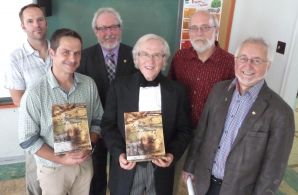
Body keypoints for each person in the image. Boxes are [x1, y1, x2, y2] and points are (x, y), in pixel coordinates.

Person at [183, 37, 295, 195]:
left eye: (256, 60)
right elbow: (201, 132)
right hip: (204, 184)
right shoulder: (218, 91)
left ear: (268, 66)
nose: (248, 65)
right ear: (235, 61)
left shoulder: (281, 112)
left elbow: (274, 169)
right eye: (243, 58)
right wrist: (189, 166)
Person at [100, 34, 192, 195]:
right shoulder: (119, 87)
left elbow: (184, 130)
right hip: (127, 169)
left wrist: (172, 154)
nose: (151, 60)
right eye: (145, 54)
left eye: (157, 55)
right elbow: (108, 126)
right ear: (137, 58)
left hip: (161, 171)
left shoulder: (177, 91)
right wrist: (119, 153)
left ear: (164, 60)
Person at [18, 28, 104, 195]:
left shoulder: (89, 84)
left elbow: (98, 120)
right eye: (66, 52)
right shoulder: (35, 92)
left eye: (77, 53)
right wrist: (61, 159)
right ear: (52, 52)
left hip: (84, 165)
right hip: (53, 169)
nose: (72, 59)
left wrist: (90, 144)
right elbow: (27, 139)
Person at [76, 7, 136, 195]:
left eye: (113, 27)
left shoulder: (136, 55)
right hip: (94, 128)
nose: (108, 33)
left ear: (121, 28)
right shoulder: (83, 57)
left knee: (123, 173)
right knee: (96, 175)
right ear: (95, 31)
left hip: (126, 128)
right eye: (102, 28)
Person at [4, 3, 51, 194]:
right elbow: (17, 99)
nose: (36, 25)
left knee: (62, 178)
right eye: (30, 21)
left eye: (40, 20)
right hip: (35, 130)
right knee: (36, 181)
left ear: (46, 22)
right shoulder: (16, 58)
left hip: (64, 125)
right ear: (23, 26)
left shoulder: (60, 50)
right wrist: (45, 114)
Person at [168, 10, 235, 129]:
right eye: (194, 28)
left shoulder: (231, 63)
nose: (199, 33)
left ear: (216, 30)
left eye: (205, 27)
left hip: (211, 132)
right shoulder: (180, 57)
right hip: (180, 129)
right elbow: (169, 91)